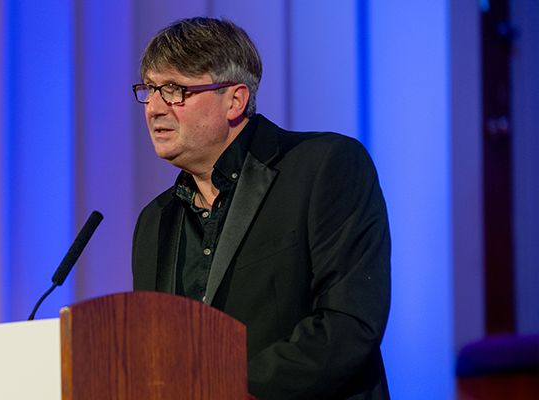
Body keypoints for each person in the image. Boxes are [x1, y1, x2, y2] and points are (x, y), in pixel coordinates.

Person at [131, 17, 391, 400]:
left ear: (234, 100)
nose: (153, 108)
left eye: (173, 90)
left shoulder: (325, 167)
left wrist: (224, 388)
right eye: (149, 89)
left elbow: (347, 325)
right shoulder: (154, 221)